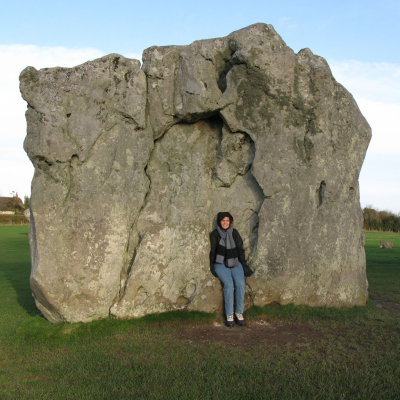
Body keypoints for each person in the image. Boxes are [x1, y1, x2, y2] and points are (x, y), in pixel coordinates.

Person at [209, 212, 253, 327]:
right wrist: (212, 267)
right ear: (219, 222)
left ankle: (239, 313)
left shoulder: (234, 233)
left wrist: (244, 265)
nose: (225, 223)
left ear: (230, 222)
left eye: (227, 221)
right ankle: (229, 315)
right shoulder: (214, 234)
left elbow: (240, 250)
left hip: (234, 261)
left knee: (240, 284)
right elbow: (213, 251)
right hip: (220, 263)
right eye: (223, 221)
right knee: (228, 285)